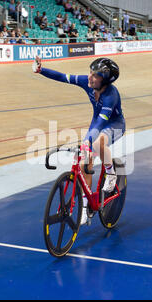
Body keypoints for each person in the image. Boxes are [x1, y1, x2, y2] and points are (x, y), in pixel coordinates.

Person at [33, 57, 125, 225]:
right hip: (96, 123)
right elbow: (63, 77)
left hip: (113, 125)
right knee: (84, 164)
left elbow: (101, 123)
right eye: (90, 72)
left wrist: (87, 142)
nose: (90, 77)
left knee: (98, 143)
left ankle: (111, 173)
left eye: (95, 75)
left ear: (105, 80)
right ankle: (85, 207)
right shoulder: (87, 82)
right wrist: (41, 70)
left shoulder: (111, 95)